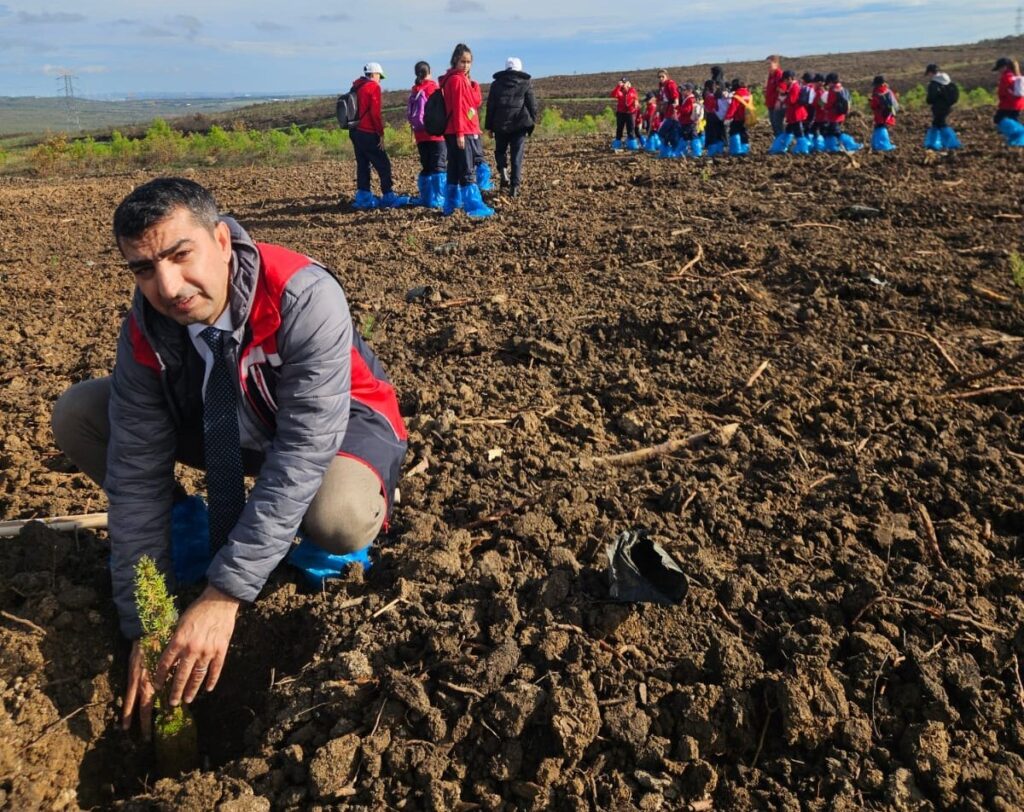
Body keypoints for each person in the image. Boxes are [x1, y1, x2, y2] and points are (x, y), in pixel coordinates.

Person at [50, 178, 408, 737]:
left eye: (179, 254)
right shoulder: (147, 327)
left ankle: (327, 551)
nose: (167, 286)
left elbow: (302, 449)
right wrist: (146, 621)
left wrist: (225, 593)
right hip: (229, 424)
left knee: (335, 516)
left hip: (338, 428)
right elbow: (136, 472)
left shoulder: (301, 294)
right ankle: (190, 530)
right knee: (80, 413)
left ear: (221, 240)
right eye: (143, 269)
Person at [440, 43, 494, 218]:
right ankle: (473, 206)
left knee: (454, 169)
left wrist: (474, 85)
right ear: (455, 60)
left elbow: (474, 102)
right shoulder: (456, 80)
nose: (466, 65)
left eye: (469, 62)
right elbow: (457, 107)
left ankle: (451, 204)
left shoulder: (460, 79)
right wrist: (460, 133)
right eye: (463, 61)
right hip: (462, 131)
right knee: (466, 169)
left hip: (458, 130)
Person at [349, 62, 410, 210]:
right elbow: (375, 114)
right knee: (384, 164)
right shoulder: (373, 87)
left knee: (363, 165)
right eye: (379, 76)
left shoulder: (356, 86)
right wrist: (380, 134)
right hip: (368, 132)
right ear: (373, 74)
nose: (380, 79)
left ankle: (363, 198)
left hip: (355, 132)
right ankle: (388, 196)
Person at [485, 57, 539, 197]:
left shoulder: (496, 84)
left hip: (500, 124)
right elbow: (532, 104)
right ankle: (514, 187)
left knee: (500, 151)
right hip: (519, 125)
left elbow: (490, 106)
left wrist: (489, 126)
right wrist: (532, 121)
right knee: (517, 156)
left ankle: (503, 173)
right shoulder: (525, 83)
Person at [407, 61, 447, 208]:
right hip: (436, 135)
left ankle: (427, 198)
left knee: (426, 166)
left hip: (420, 136)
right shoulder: (433, 88)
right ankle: (439, 199)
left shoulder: (415, 90)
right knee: (439, 166)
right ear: (429, 72)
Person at [769, 70, 808, 154]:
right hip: (793, 115)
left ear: (790, 79)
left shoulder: (794, 87)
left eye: (785, 80)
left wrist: (784, 99)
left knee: (798, 132)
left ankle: (803, 149)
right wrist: (786, 94)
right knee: (788, 131)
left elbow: (792, 100)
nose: (784, 82)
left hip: (796, 115)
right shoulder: (792, 87)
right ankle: (781, 147)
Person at [821, 72, 861, 153]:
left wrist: (823, 106)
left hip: (833, 116)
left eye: (828, 83)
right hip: (841, 115)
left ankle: (851, 144)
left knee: (836, 132)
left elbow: (829, 104)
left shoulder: (833, 91)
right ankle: (832, 148)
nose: (828, 85)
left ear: (831, 82)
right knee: (829, 132)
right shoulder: (843, 89)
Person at [924, 64, 961, 150]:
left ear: (930, 72)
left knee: (941, 124)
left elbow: (931, 98)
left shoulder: (934, 83)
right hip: (947, 107)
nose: (928, 76)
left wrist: (929, 100)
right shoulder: (947, 80)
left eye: (928, 73)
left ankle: (951, 144)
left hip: (938, 107)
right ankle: (934, 144)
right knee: (936, 124)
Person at [993, 57, 1024, 147]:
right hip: (1017, 104)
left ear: (1005, 67)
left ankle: (1020, 136)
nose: (999, 71)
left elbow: (1006, 91)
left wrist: (1005, 99)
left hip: (1009, 104)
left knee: (998, 119)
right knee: (1012, 120)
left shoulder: (1006, 76)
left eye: (999, 68)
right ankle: (1015, 143)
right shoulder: (1015, 75)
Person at [609, 76, 640, 150]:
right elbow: (613, 95)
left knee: (631, 129)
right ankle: (617, 144)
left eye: (624, 82)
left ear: (628, 83)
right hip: (621, 113)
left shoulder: (632, 90)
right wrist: (618, 86)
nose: (623, 84)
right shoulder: (619, 91)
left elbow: (636, 97)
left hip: (630, 112)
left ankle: (632, 145)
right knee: (619, 128)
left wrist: (636, 101)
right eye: (622, 82)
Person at [869, 75, 898, 151]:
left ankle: (882, 146)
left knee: (879, 127)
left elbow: (873, 106)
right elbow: (895, 104)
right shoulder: (888, 91)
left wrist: (871, 102)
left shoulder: (876, 92)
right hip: (887, 114)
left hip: (879, 114)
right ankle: (880, 145)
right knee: (881, 127)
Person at [724, 77, 751, 155]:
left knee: (734, 132)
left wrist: (727, 117)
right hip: (746, 117)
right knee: (743, 132)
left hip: (738, 117)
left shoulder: (737, 94)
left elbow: (733, 107)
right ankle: (744, 149)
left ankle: (736, 150)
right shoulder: (747, 93)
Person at [765, 55, 785, 137]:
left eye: (769, 64)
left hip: (777, 105)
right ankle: (778, 142)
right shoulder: (771, 75)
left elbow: (782, 90)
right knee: (773, 124)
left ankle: (782, 143)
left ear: (776, 63)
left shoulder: (779, 74)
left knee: (777, 124)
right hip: (770, 104)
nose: (767, 66)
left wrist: (779, 101)